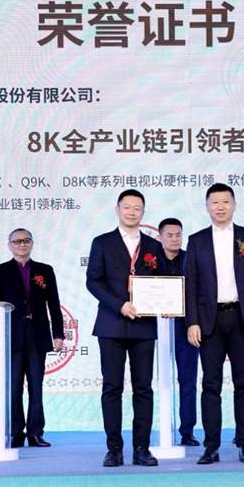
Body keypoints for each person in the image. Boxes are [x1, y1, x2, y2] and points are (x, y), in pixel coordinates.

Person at [185, 183, 244, 464]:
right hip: (209, 321)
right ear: (207, 206)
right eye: (215, 202)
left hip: (242, 319)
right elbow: (191, 285)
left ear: (234, 205)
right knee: (211, 385)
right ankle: (211, 446)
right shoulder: (197, 240)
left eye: (225, 202)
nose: (220, 207)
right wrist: (192, 322)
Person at [86, 189, 162, 467]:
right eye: (127, 207)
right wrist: (120, 305)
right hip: (111, 324)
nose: (132, 212)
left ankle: (142, 448)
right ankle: (114, 449)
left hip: (144, 325)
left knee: (144, 388)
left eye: (137, 208)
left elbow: (162, 281)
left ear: (143, 212)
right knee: (112, 387)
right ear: (117, 210)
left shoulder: (153, 246)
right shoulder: (102, 242)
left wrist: (165, 301)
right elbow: (93, 281)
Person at [0, 228, 64, 448]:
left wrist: (58, 334)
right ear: (9, 245)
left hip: (38, 335)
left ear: (32, 243)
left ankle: (35, 433)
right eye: (17, 241)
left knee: (36, 387)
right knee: (14, 388)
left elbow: (54, 304)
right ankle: (15, 433)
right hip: (11, 336)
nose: (22, 244)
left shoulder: (45, 270)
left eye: (26, 240)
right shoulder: (1, 271)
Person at [158, 217, 200, 446]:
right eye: (170, 235)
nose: (174, 239)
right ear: (160, 237)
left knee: (188, 380)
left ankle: (187, 431)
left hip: (187, 327)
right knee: (157, 380)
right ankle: (161, 430)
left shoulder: (191, 259)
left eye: (178, 235)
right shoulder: (150, 261)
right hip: (155, 329)